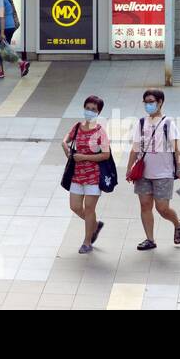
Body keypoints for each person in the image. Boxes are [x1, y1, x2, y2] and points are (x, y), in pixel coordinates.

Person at [126, 89, 180, 250]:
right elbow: (135, 148)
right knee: (145, 205)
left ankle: (177, 223)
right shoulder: (141, 123)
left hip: (163, 173)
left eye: (151, 102)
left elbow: (177, 149)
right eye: (146, 102)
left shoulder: (168, 123)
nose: (148, 105)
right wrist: (129, 168)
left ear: (160, 102)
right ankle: (150, 239)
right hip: (143, 172)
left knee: (162, 208)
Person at [63, 95, 111, 254]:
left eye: (93, 110)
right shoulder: (77, 127)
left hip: (93, 176)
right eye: (88, 108)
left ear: (98, 112)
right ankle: (95, 226)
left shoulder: (100, 132)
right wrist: (65, 146)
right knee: (75, 207)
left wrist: (84, 157)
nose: (90, 112)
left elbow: (106, 155)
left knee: (89, 208)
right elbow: (67, 139)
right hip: (76, 175)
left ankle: (87, 241)